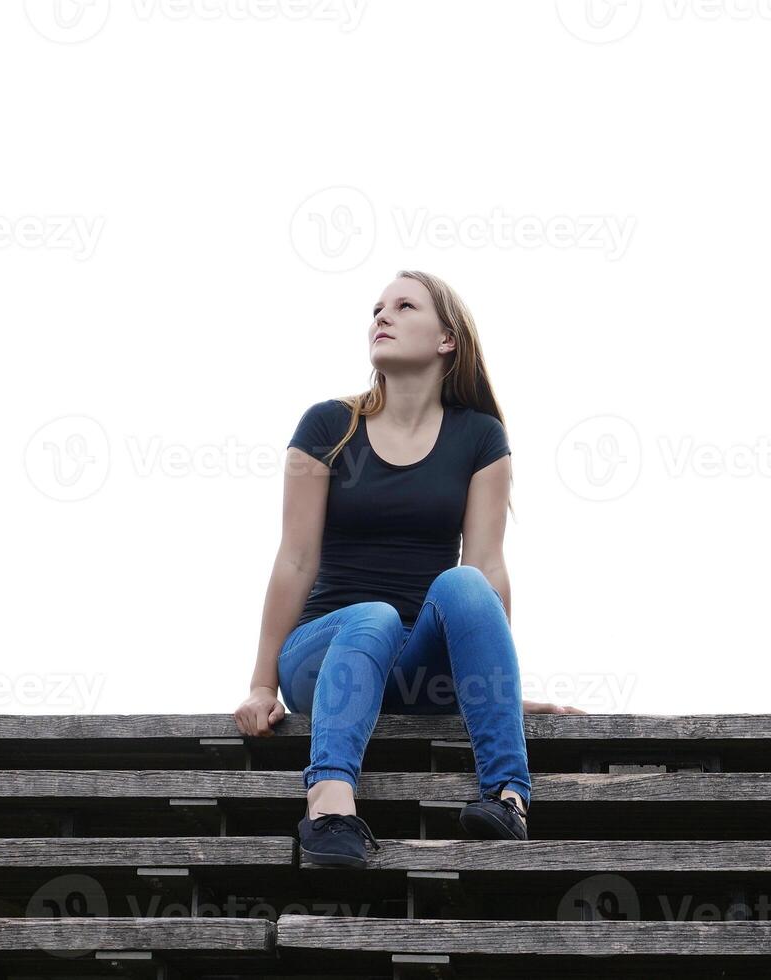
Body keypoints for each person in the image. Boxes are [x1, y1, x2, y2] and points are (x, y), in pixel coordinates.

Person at [233, 269, 584, 868]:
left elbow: (487, 571)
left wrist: (496, 689)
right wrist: (263, 685)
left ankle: (508, 796)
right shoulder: (327, 426)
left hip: (419, 671)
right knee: (373, 617)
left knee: (464, 583)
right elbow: (295, 558)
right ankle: (330, 807)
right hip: (323, 663)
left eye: (403, 306)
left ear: (448, 339)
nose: (382, 317)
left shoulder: (480, 438)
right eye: (376, 309)